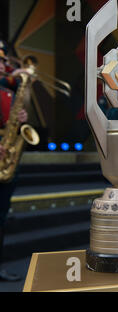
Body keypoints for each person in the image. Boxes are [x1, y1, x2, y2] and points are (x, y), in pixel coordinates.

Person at [0, 44, 26, 281]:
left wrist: (19, 119)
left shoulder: (6, 91)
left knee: (1, 217)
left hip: (5, 157)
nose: (2, 67)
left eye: (2, 63)